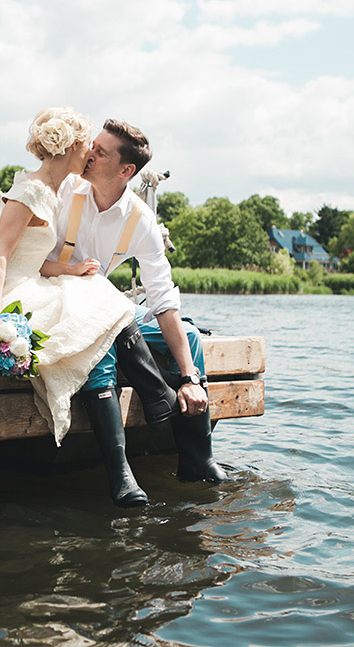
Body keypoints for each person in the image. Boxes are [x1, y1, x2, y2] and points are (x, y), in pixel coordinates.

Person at [0, 107, 143, 505]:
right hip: (7, 289)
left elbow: (32, 256)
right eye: (87, 145)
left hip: (31, 278)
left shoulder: (53, 191)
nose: (91, 152)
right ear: (71, 147)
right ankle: (154, 396)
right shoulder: (31, 190)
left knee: (95, 290)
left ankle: (153, 391)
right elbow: (0, 253)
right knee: (92, 303)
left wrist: (69, 269)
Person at [46, 119, 228, 489]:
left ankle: (197, 459)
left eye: (101, 151)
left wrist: (190, 376)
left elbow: (163, 298)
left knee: (190, 337)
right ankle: (120, 467)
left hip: (103, 306)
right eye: (93, 146)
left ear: (126, 170)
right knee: (104, 339)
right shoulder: (64, 191)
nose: (90, 154)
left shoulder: (140, 220)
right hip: (51, 299)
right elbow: (25, 256)